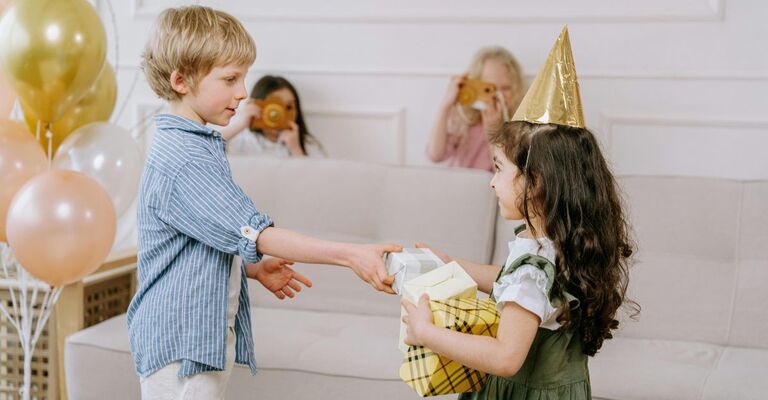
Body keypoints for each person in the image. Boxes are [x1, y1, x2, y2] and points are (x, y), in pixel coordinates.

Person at [128, 6, 399, 399]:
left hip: (194, 339)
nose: (242, 92)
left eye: (244, 77)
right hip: (181, 347)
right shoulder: (184, 158)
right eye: (230, 78)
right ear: (181, 80)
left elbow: (198, 239)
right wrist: (351, 255)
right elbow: (256, 232)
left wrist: (248, 269)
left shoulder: (197, 145)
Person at [403, 27, 638, 399]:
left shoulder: (533, 269)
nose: (491, 182)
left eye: (498, 169)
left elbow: (506, 357)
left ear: (536, 182)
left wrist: (427, 332)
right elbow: (511, 281)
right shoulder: (556, 244)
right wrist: (452, 266)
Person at [426, 46, 524, 172]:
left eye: (505, 88)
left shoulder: (519, 129)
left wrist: (492, 130)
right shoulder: (465, 119)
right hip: (460, 186)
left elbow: (505, 173)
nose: (498, 95)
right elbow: (435, 155)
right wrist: (445, 106)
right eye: (489, 88)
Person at [222, 75, 325, 157]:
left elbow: (315, 180)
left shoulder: (307, 145)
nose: (278, 114)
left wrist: (296, 149)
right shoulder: (242, 142)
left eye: (289, 107)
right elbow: (207, 146)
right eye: (274, 106)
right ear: (258, 105)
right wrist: (241, 124)